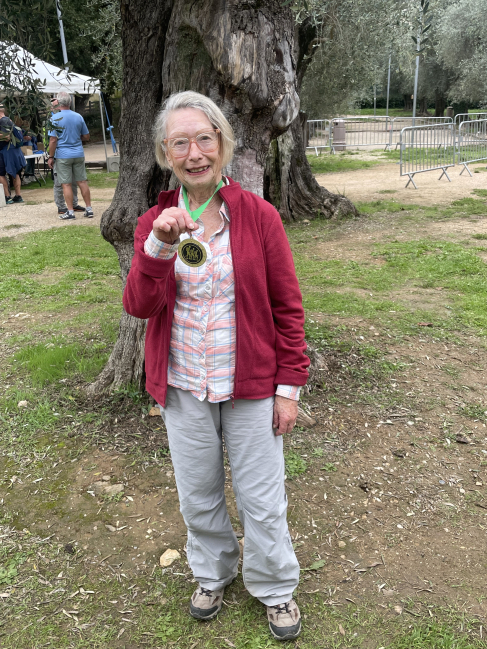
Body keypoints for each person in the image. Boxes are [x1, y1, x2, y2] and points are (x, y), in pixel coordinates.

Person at [123, 91, 309, 641]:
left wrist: (289, 387)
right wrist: (157, 248)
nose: (195, 152)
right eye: (180, 142)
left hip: (250, 383)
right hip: (183, 385)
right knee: (197, 493)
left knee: (262, 497)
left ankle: (276, 587)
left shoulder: (259, 216)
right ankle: (212, 572)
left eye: (205, 138)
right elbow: (139, 306)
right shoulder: (155, 222)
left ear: (223, 146)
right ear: (165, 152)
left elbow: (287, 307)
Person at [47, 92, 93, 220]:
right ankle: (89, 209)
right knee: (82, 181)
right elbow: (86, 136)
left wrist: (51, 157)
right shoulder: (78, 116)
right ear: (70, 102)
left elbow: (53, 140)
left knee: (66, 184)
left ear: (59, 103)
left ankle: (70, 211)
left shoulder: (55, 118)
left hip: (63, 155)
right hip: (78, 153)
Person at [49, 98, 83, 215]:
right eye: (52, 103)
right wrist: (51, 156)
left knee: (71, 181)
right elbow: (51, 139)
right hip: (61, 154)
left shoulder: (65, 116)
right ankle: (61, 206)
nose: (54, 104)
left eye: (55, 102)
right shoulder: (52, 117)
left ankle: (73, 204)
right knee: (60, 182)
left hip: (65, 154)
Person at [0, 104, 25, 204]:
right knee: (14, 173)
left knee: (2, 173)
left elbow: (6, 137)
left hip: (8, 150)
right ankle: (17, 196)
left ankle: (8, 196)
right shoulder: (8, 120)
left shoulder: (3, 120)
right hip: (12, 150)